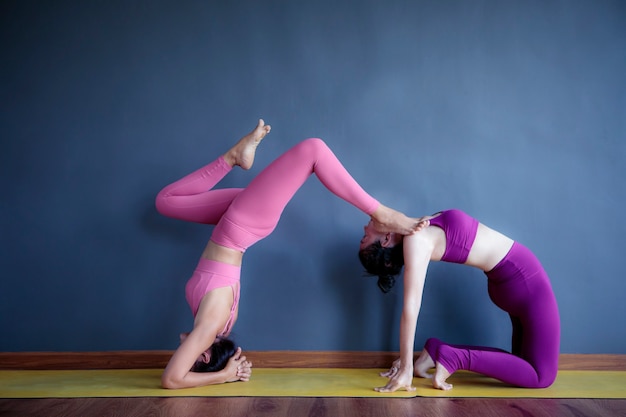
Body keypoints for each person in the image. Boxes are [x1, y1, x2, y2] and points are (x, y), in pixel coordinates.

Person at [155, 119, 422, 389]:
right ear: (204, 354)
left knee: (166, 202)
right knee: (313, 150)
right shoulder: (209, 327)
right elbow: (172, 379)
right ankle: (381, 212)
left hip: (235, 222)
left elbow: (180, 371)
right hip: (242, 224)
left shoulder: (210, 325)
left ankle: (232, 157)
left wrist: (226, 370)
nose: (180, 344)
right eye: (187, 354)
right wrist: (224, 375)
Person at [358, 209, 560, 392]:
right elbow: (411, 307)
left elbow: (378, 210)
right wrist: (406, 368)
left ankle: (437, 351)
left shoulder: (416, 225)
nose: (365, 227)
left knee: (522, 364)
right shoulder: (416, 240)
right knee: (542, 377)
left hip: (511, 281)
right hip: (526, 280)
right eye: (365, 237)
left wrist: (406, 362)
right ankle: (454, 357)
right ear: (385, 240)